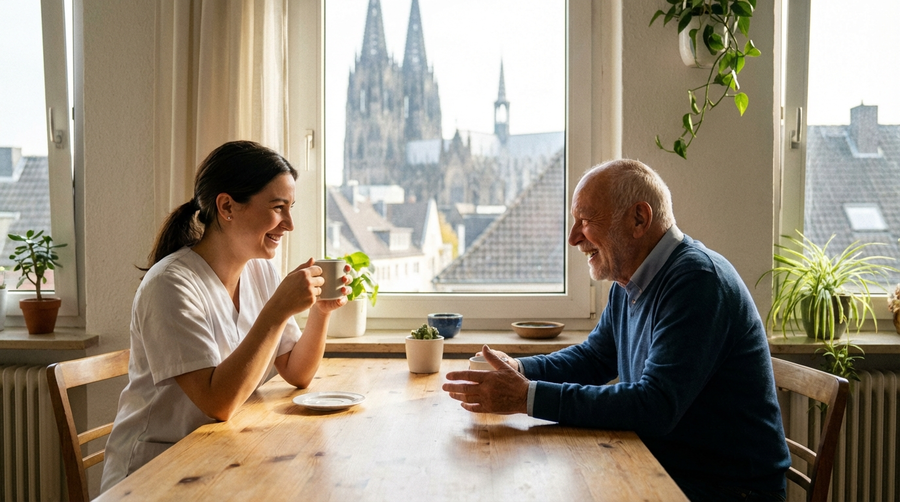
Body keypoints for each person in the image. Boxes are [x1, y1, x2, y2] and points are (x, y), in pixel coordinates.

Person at [443, 159, 791, 502]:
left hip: (729, 490)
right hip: (669, 469)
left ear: (639, 218)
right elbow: (595, 357)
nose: (573, 237)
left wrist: (526, 397)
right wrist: (519, 370)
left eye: (585, 220)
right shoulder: (631, 283)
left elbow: (654, 406)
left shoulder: (697, 281)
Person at [101, 140, 348, 492]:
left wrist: (320, 314)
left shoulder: (260, 272)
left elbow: (297, 372)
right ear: (227, 206)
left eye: (291, 208)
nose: (289, 224)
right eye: (278, 208)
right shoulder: (170, 285)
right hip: (156, 473)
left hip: (222, 457)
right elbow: (218, 403)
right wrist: (277, 310)